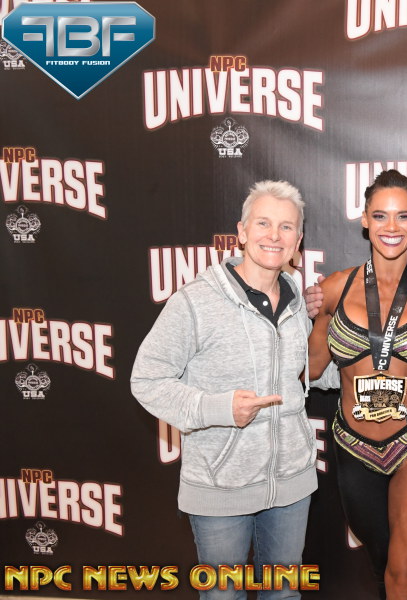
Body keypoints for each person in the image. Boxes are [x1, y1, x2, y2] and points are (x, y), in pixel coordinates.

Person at [131, 180, 325, 600]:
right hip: (219, 489)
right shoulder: (196, 301)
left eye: (287, 227)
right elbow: (147, 380)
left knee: (283, 595)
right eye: (263, 223)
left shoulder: (297, 300)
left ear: (298, 241)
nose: (274, 235)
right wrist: (219, 408)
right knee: (223, 597)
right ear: (241, 231)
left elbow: (303, 373)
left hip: (291, 485)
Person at [307, 169, 407, 600]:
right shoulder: (333, 289)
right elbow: (309, 368)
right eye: (380, 215)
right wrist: (293, 307)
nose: (391, 227)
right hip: (354, 446)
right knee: (381, 565)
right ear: (364, 220)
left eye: (403, 216)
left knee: (402, 575)